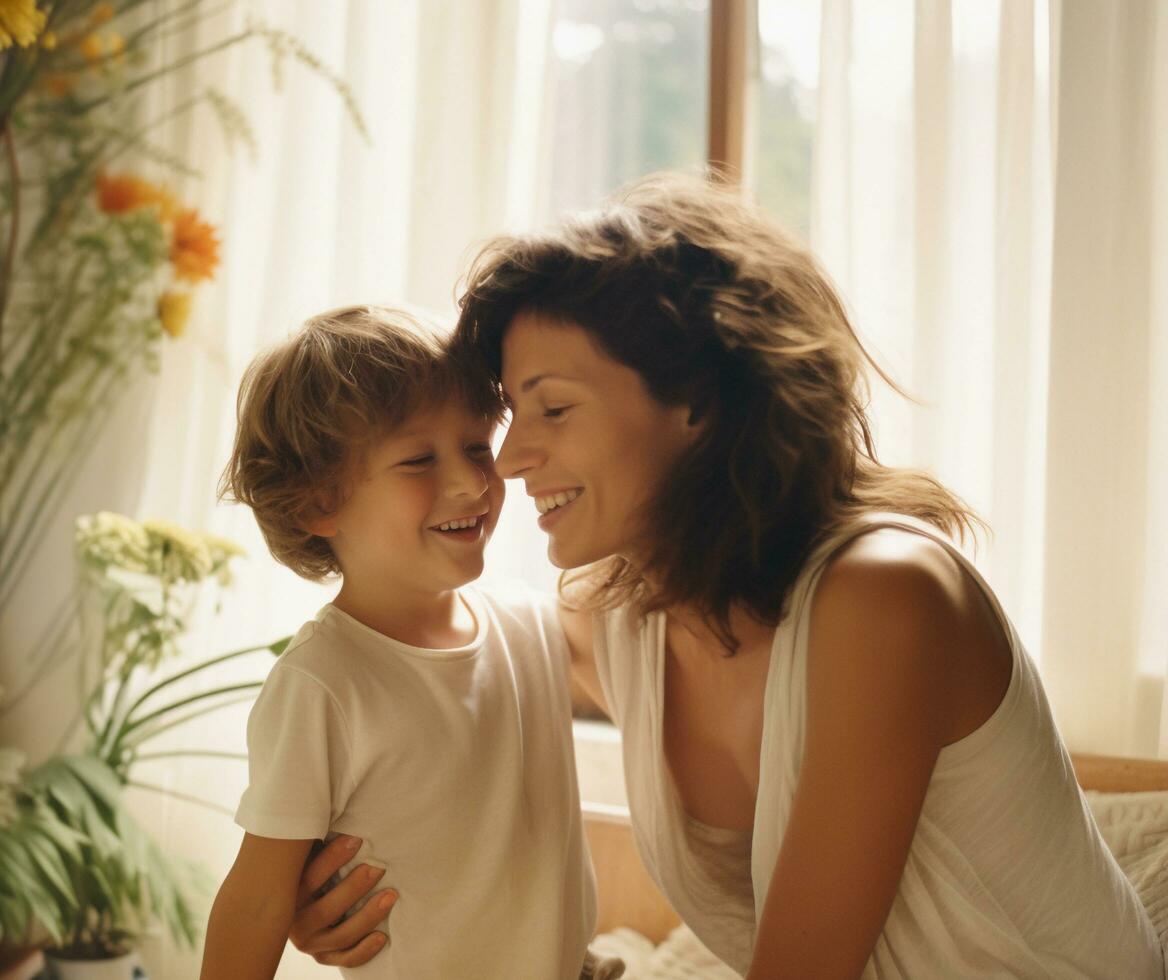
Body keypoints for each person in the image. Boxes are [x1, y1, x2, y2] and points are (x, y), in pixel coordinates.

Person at [289, 177, 1164, 979]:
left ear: (699, 406)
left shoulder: (886, 597)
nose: (510, 460)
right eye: (513, 417)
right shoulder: (616, 617)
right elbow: (405, 677)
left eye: (553, 408)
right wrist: (318, 888)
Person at [200, 305, 622, 979]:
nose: (471, 482)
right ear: (317, 502)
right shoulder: (322, 683)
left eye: (479, 446)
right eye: (420, 458)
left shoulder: (534, 625)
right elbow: (257, 899)